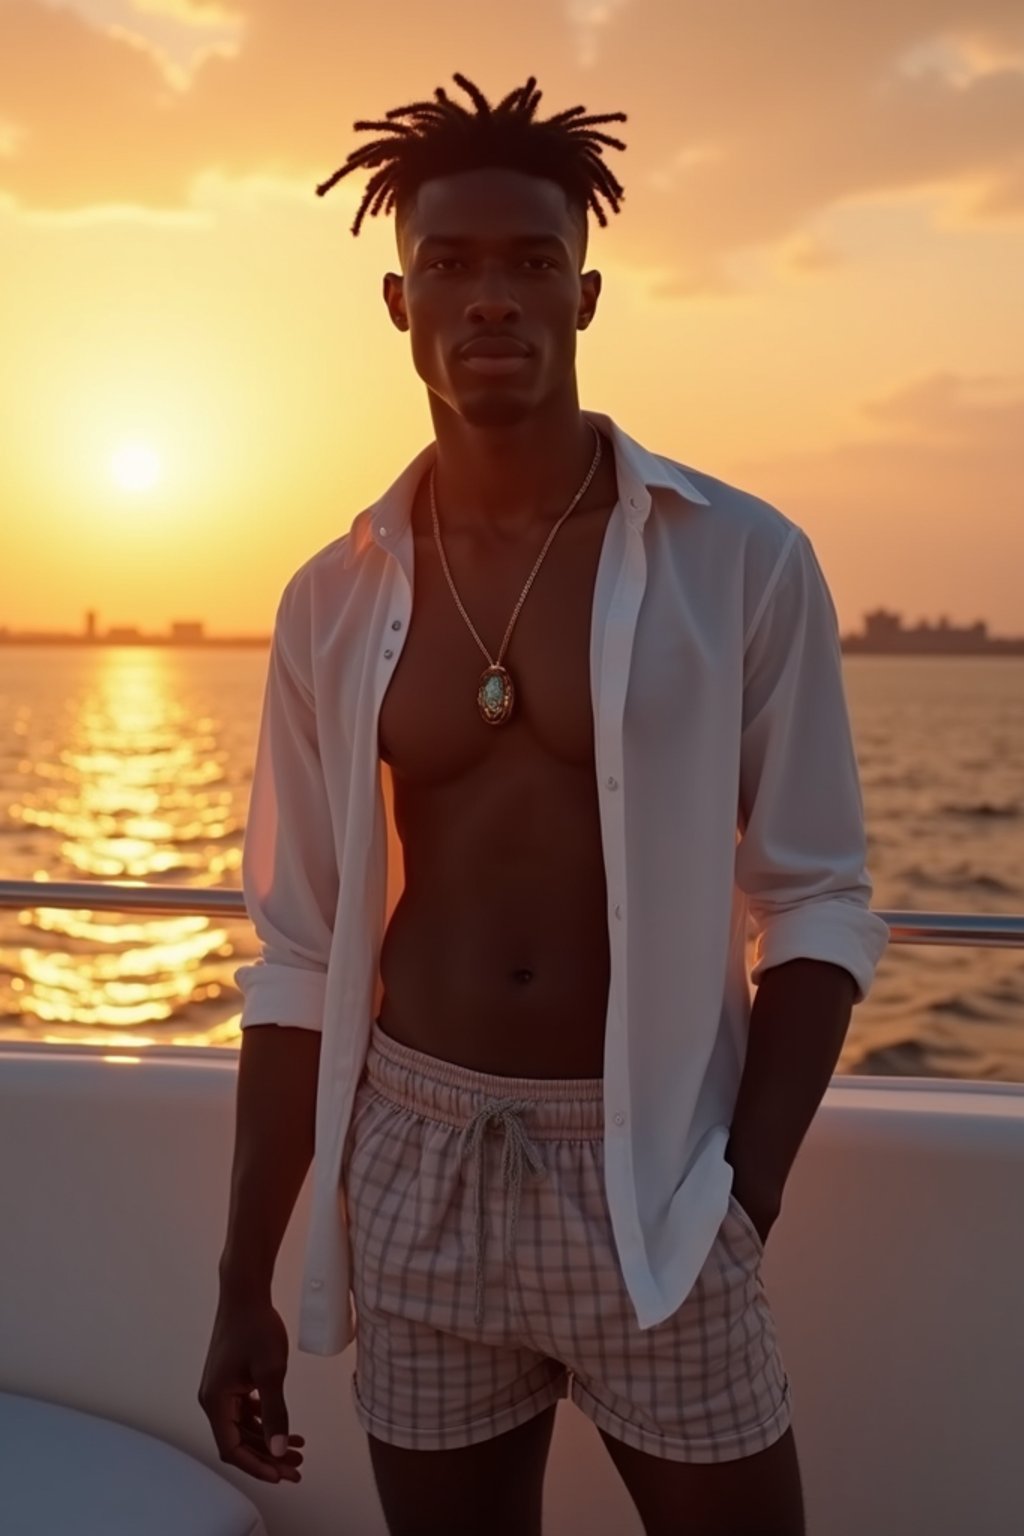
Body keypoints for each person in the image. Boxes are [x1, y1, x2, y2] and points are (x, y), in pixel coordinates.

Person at [199, 71, 889, 1536]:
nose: (491, 297)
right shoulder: (335, 597)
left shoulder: (739, 560)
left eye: (529, 263)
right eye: (451, 264)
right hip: (415, 1161)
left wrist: (739, 1199)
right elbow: (298, 950)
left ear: (586, 294)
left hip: (652, 1179)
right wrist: (241, 1283)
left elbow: (818, 892)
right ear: (400, 305)